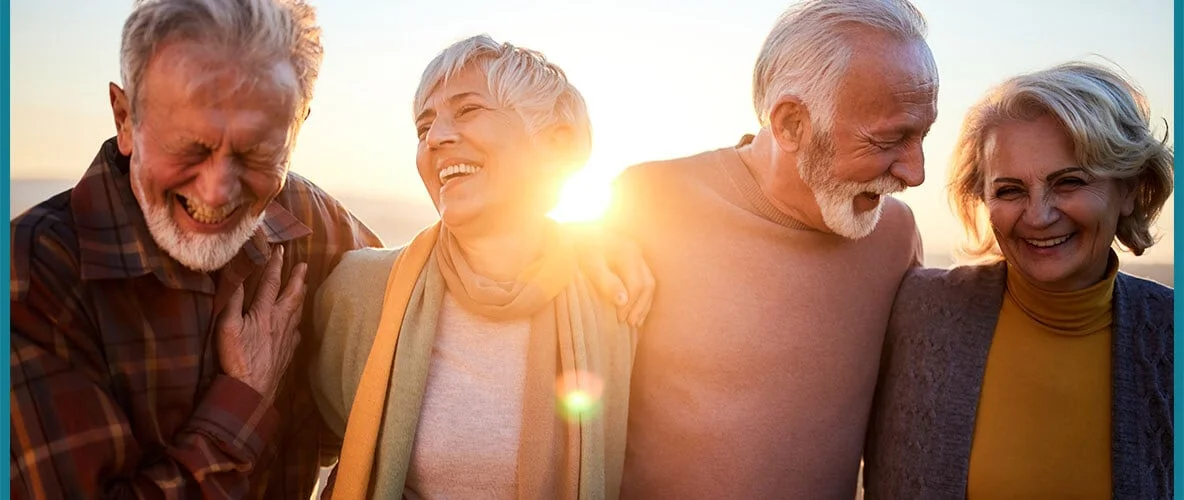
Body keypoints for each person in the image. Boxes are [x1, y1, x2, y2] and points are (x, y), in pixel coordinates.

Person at [9, 2, 650, 498]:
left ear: (300, 126)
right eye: (192, 144)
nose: (219, 190)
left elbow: (440, 276)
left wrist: (585, 246)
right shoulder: (36, 273)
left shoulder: (309, 227)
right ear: (126, 118)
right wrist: (243, 400)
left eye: (260, 150)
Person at [608, 0, 937, 498]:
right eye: (889, 140)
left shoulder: (893, 235)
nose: (915, 173)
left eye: (922, 135)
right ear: (790, 124)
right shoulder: (649, 200)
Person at [309, 35, 638, 499]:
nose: (437, 137)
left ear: (555, 144)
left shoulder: (618, 303)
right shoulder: (360, 292)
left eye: (466, 111)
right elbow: (303, 445)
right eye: (424, 129)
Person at [862, 62, 1173, 499]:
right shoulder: (918, 313)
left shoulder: (1169, 337)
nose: (1038, 215)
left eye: (1069, 182)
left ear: (1128, 189)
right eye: (1009, 190)